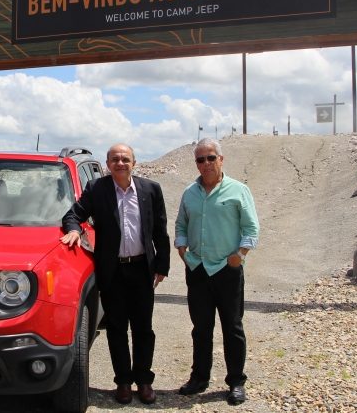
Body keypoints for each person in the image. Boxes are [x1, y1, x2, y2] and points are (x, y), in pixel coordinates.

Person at [61, 143, 170, 405]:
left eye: (125, 159)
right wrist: (75, 230)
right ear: (108, 165)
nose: (120, 163)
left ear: (134, 162)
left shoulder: (150, 189)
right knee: (117, 329)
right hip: (113, 271)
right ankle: (122, 382)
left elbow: (160, 230)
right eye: (115, 160)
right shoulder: (97, 189)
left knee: (144, 329)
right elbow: (73, 215)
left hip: (142, 269)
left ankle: (144, 381)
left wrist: (162, 266)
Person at [174, 138, 259, 406]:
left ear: (221, 159)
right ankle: (199, 378)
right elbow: (180, 225)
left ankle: (235, 382)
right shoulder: (189, 192)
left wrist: (241, 255)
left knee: (232, 328)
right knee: (201, 328)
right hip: (198, 269)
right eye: (201, 159)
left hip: (227, 269)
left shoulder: (238, 190)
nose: (206, 163)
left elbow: (251, 228)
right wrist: (181, 248)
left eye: (211, 158)